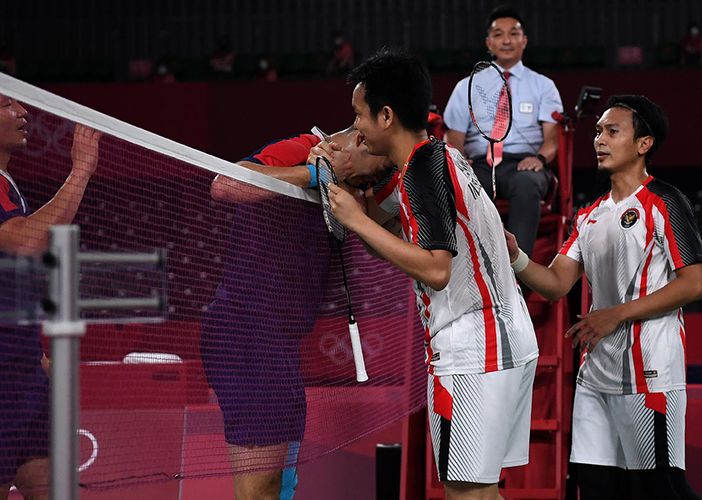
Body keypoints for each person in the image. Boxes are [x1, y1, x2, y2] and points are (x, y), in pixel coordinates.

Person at [327, 48, 538, 500]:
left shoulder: (423, 170)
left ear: (386, 116)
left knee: (465, 494)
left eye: (359, 117)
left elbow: (437, 270)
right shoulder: (442, 158)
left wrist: (358, 219)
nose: (355, 131)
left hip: (473, 347)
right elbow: (400, 248)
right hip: (505, 339)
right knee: (481, 493)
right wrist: (358, 203)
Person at [505, 95, 702, 499]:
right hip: (595, 378)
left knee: (660, 490)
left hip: (651, 375)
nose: (600, 139)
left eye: (612, 131)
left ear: (643, 144)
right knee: (595, 487)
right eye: (598, 131)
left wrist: (614, 315)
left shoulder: (666, 201)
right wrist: (516, 256)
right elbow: (557, 282)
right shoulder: (589, 214)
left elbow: (694, 282)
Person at [201, 126, 391, 500]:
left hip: (280, 345)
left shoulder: (352, 183)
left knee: (279, 485)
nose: (371, 179)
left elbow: (382, 232)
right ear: (356, 141)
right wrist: (310, 174)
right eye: (373, 168)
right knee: (259, 491)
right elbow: (225, 184)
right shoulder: (301, 148)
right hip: (246, 335)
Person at [0, 58, 101, 499]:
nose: (23, 111)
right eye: (7, 102)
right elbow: (25, 241)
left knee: (55, 489)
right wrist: (81, 171)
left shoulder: (5, 184)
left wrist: (33, 353)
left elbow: (2, 281)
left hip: (22, 375)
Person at [443, 5, 563, 257]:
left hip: (526, 164)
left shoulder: (543, 86)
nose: (506, 40)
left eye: (514, 33)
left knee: (526, 183)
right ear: (489, 43)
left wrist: (539, 159)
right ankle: (477, 268)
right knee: (468, 187)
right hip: (480, 165)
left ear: (524, 41)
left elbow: (553, 140)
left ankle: (519, 274)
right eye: (498, 34)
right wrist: (462, 165)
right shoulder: (467, 85)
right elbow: (453, 139)